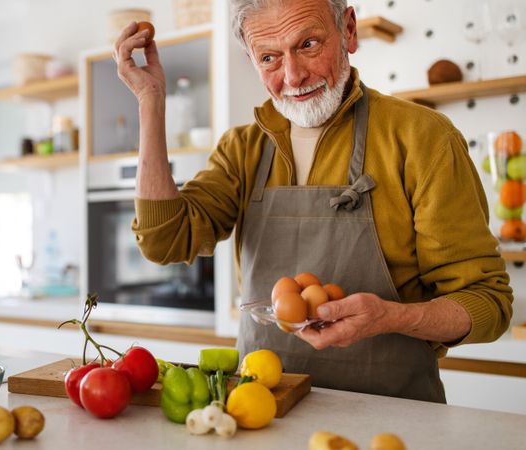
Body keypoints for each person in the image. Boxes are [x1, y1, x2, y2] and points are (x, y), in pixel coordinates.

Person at [112, 0, 513, 403]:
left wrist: (392, 317)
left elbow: (487, 302)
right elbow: (163, 241)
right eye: (269, 57)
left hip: (394, 418)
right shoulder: (242, 149)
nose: (293, 75)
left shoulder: (423, 137)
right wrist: (151, 101)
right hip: (262, 413)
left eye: (308, 44)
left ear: (349, 30)